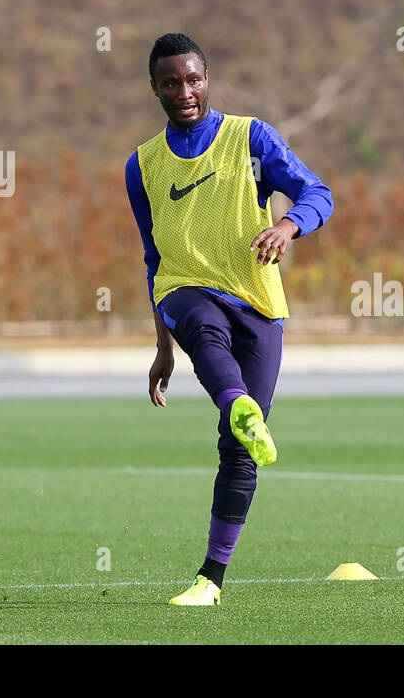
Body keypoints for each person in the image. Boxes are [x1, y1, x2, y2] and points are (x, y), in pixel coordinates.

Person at [125, 33, 333, 606]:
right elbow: (152, 257)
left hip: (258, 300)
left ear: (206, 79)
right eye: (171, 82)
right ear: (155, 88)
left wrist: (288, 227)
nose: (184, 91)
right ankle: (235, 401)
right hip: (184, 291)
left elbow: (317, 192)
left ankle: (209, 581)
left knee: (239, 451)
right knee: (201, 326)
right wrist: (163, 345)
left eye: (193, 80)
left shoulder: (250, 138)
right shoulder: (142, 165)